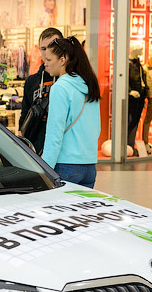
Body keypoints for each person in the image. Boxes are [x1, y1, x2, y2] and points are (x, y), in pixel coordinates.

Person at [40, 37, 102, 188]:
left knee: (57, 211)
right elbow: (96, 128)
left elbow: (55, 134)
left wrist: (44, 170)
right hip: (89, 165)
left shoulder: (60, 88)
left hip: (66, 165)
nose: (45, 63)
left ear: (62, 60)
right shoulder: (89, 84)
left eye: (48, 59)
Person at [18, 27, 63, 154]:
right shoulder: (31, 81)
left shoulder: (68, 80)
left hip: (62, 147)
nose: (47, 53)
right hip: (36, 145)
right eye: (43, 49)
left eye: (52, 47)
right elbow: (25, 113)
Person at [127, 46, 148, 157]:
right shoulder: (128, 64)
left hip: (140, 96)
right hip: (132, 98)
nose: (141, 51)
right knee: (130, 121)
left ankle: (130, 145)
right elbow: (123, 79)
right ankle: (126, 145)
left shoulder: (138, 63)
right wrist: (129, 91)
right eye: (140, 49)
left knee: (135, 121)